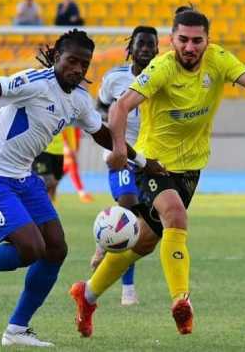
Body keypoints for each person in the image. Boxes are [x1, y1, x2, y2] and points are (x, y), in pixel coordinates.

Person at [0, 29, 164, 347]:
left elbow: (102, 134)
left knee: (55, 249)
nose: (78, 69)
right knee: (29, 249)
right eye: (71, 61)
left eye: (84, 63)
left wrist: (141, 160)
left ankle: (17, 329)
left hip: (22, 177)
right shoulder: (34, 83)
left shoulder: (78, 99)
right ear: (55, 58)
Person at [69, 7, 245, 338]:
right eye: (183, 40)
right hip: (153, 163)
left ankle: (88, 295)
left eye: (197, 41)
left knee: (146, 241)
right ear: (172, 39)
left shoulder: (220, 60)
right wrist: (121, 148)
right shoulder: (161, 67)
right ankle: (182, 301)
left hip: (191, 167)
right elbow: (121, 106)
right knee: (175, 217)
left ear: (207, 41)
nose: (190, 47)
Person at [87, 25, 160, 307]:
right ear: (131, 47)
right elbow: (101, 108)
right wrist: (110, 136)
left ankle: (122, 275)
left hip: (152, 157)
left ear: (156, 49)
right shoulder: (115, 78)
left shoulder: (164, 76)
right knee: (127, 205)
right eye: (140, 43)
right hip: (121, 154)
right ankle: (126, 289)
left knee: (143, 226)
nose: (145, 48)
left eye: (150, 44)